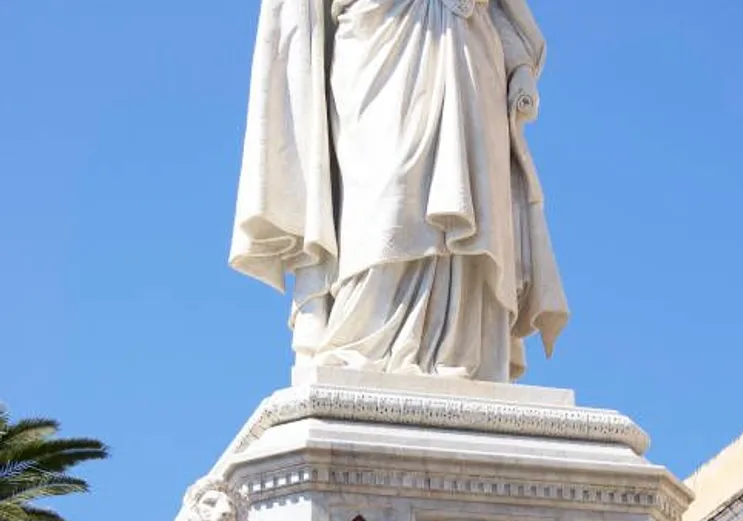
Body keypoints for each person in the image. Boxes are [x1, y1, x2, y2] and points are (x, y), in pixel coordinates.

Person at [230, 0, 569, 382]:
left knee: (469, 204)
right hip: (379, 37)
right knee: (388, 198)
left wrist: (520, 61)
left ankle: (461, 351)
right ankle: (361, 341)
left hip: (469, 46)